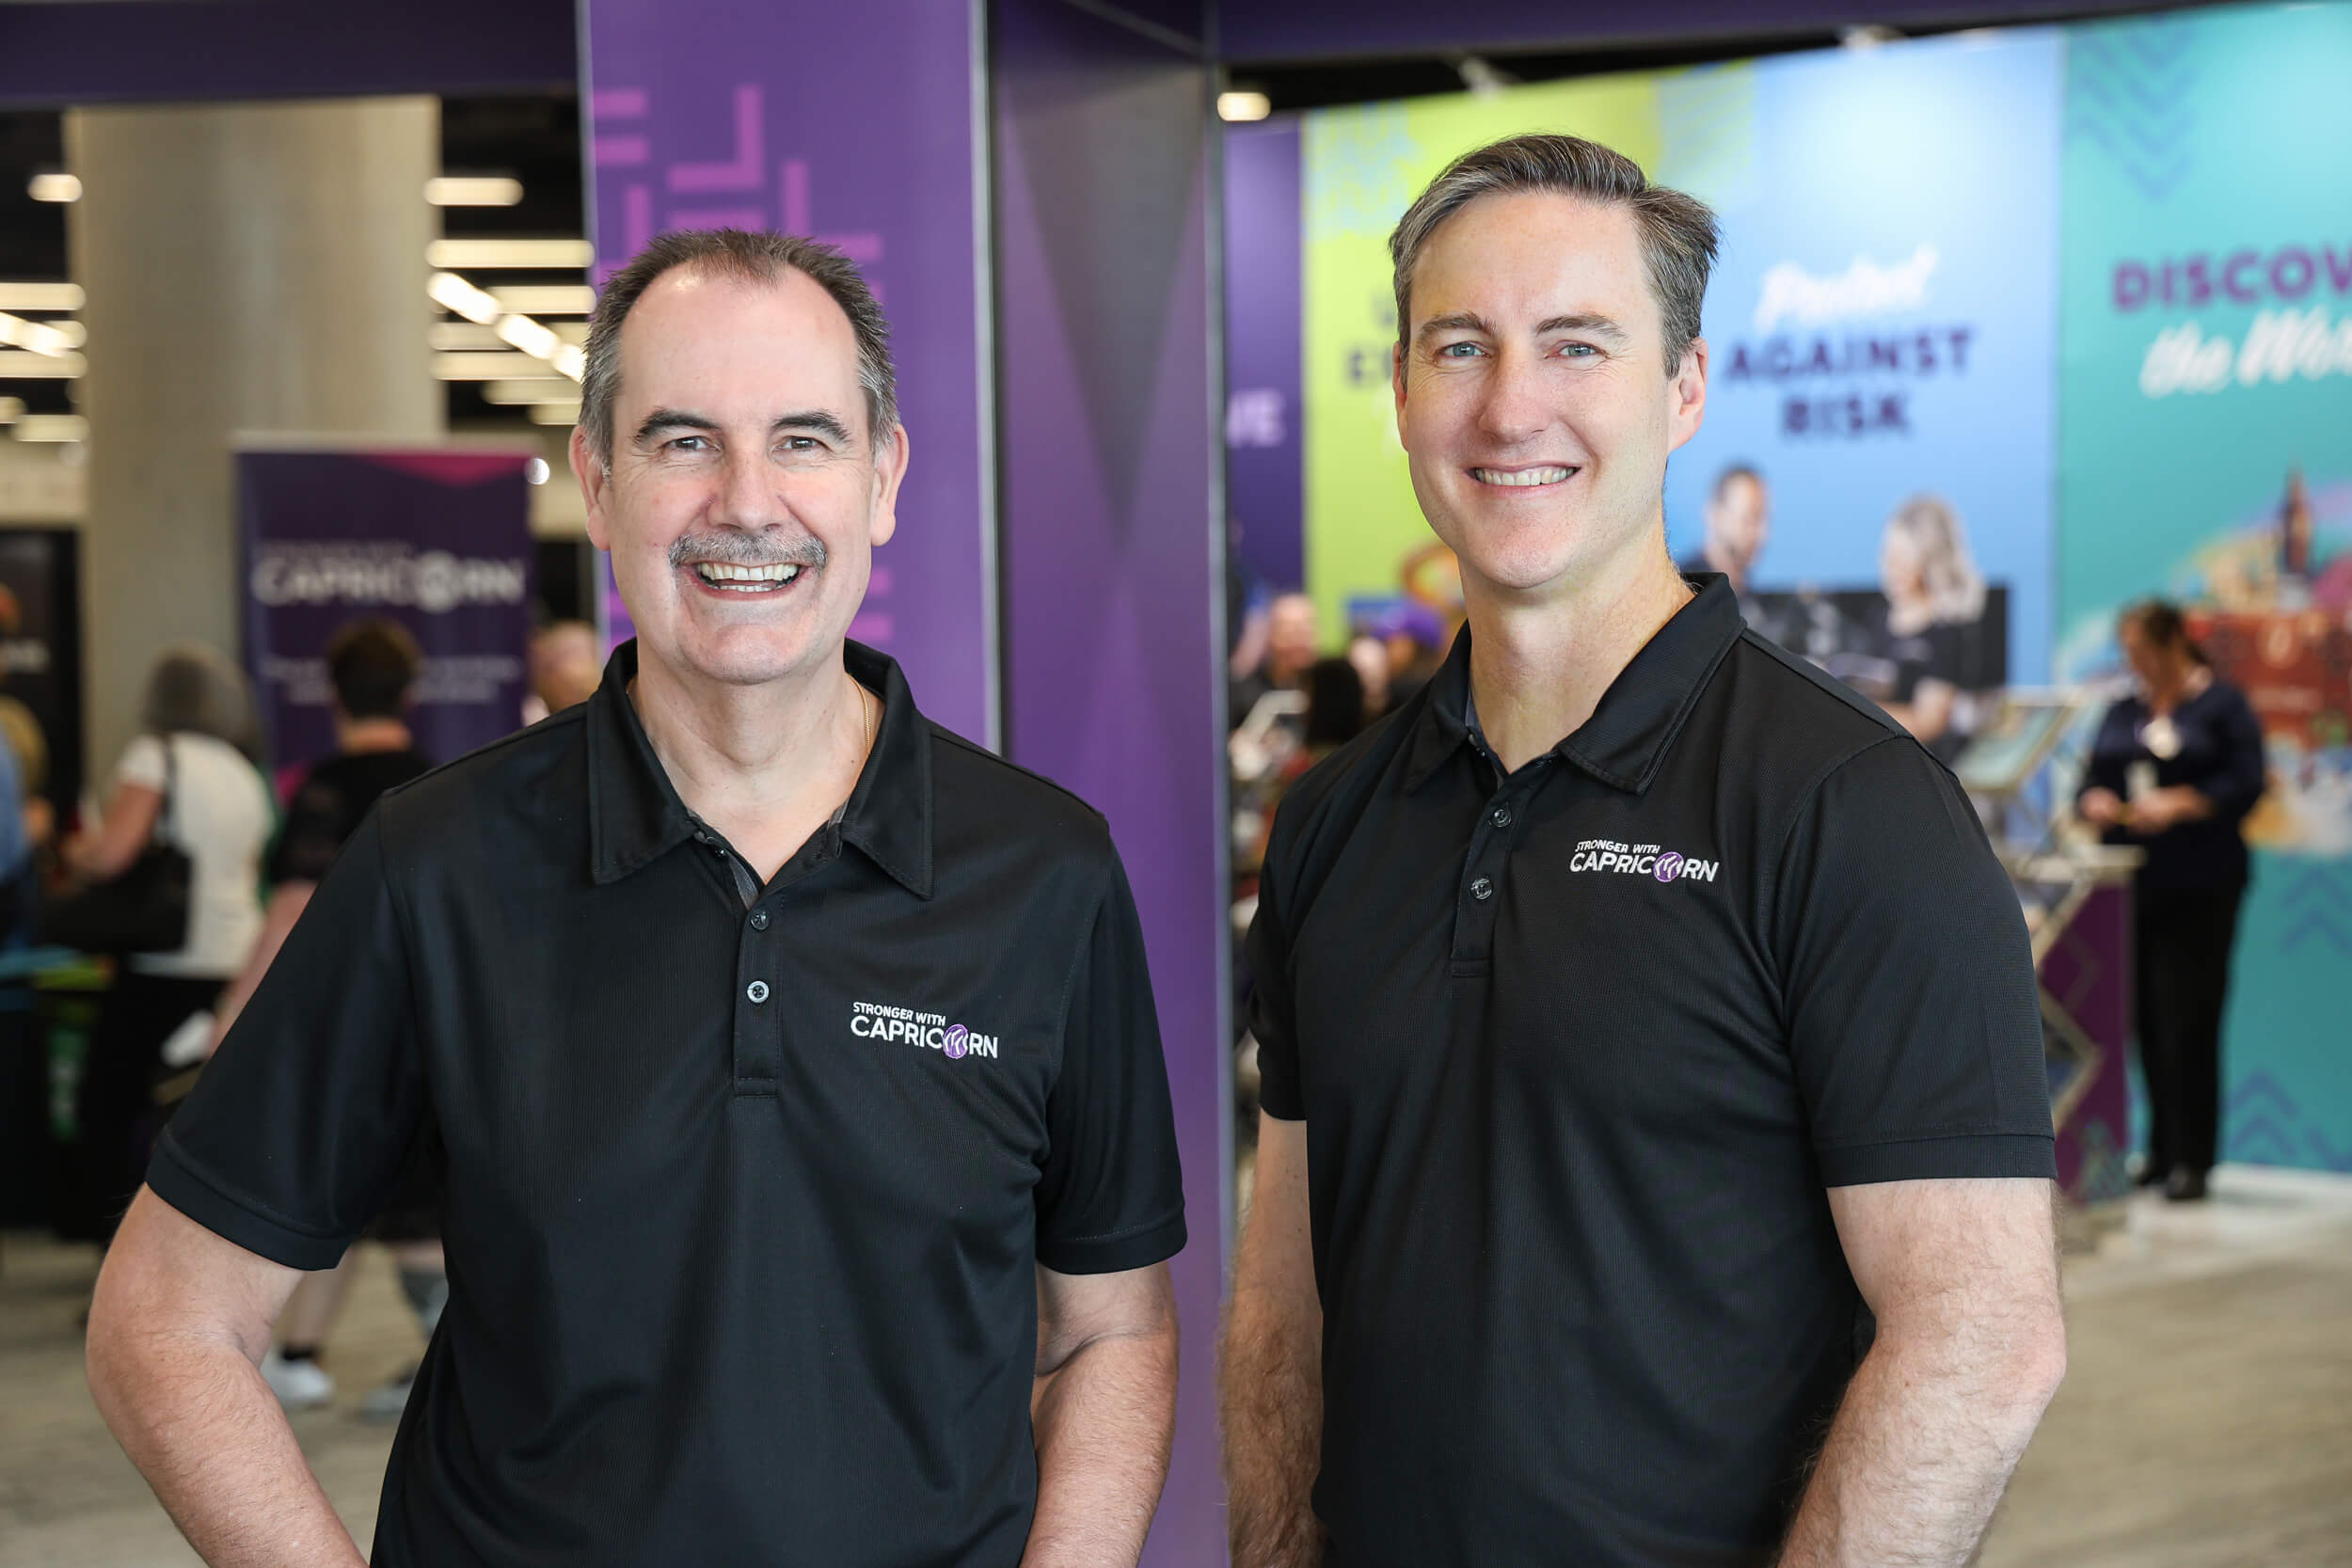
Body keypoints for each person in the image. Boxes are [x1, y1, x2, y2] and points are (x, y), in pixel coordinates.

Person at [87, 229, 1185, 1568]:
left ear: (882, 478)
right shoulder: (434, 863)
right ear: (599, 485)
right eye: (682, 441)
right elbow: (165, 1317)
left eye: (803, 439)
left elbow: (1110, 1324)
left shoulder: (1045, 872)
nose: (745, 501)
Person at [1221, 134, 2064, 1568]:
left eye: (1575, 345)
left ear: (1682, 391)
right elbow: (1281, 1309)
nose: (1510, 407)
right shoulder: (1335, 818)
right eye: (1460, 346)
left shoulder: (1850, 807)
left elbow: (1981, 1341)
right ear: (1406, 391)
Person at [199, 619, 441, 1417]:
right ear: (408, 691)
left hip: (351, 1024)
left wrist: (231, 1015)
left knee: (353, 1198)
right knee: (383, 1200)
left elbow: (291, 911)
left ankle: (449, 1362)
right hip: (431, 1017)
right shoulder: (442, 780)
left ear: (334, 693)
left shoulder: (329, 787)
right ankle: (301, 1354)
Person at [65, 645, 272, 1246]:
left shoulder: (154, 755)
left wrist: (73, 851)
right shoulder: (242, 771)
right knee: (199, 1112)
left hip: (163, 961)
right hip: (234, 958)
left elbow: (113, 853)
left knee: (111, 1104)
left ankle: (120, 1248)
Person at [2077, 599, 2265, 1204]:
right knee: (2144, 1022)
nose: (2137, 664)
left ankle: (2194, 1158)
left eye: (2144, 651)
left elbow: (2247, 780)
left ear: (2174, 644)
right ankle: (2156, 1150)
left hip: (2201, 886)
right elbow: (2093, 775)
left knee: (2191, 1017)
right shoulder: (2123, 710)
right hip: (2131, 885)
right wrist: (2097, 802)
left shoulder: (2222, 705)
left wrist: (2184, 802)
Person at [1869, 493, 1989, 760]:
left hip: (1928, 767)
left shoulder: (1950, 630)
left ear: (1930, 559)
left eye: (1903, 558)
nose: (1892, 568)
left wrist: (1853, 712)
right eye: (1888, 556)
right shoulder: (1879, 614)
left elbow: (1930, 722)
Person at [1232, 591, 1319, 731]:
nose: (1300, 638)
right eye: (1290, 629)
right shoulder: (1243, 694)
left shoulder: (1330, 693)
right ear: (1270, 633)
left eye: (1307, 627)